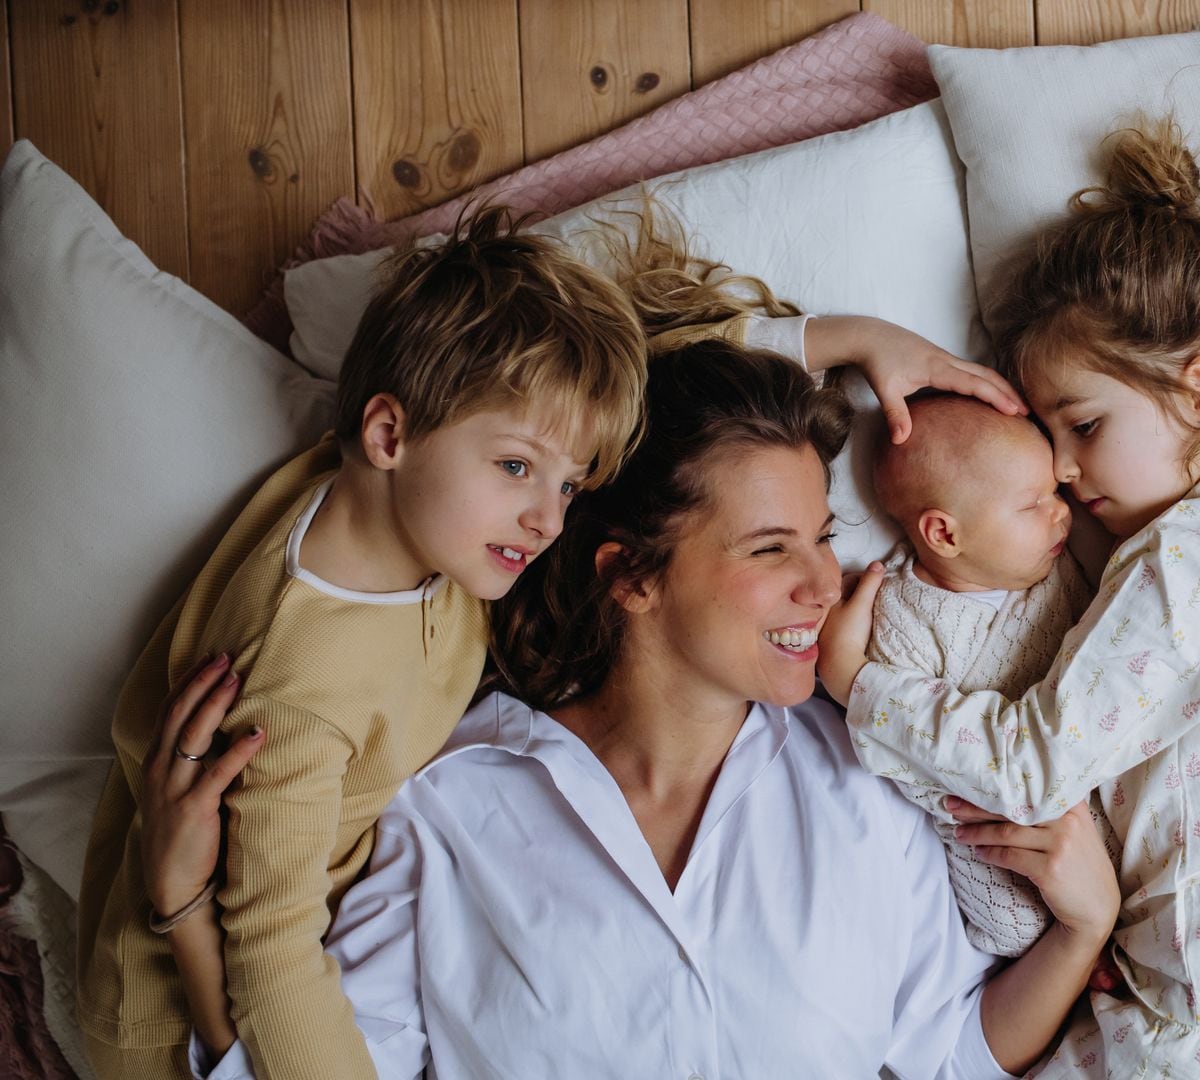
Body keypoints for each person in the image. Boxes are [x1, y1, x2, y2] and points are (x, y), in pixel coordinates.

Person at [141, 340, 1122, 1080]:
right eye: (770, 549)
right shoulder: (449, 807)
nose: (828, 583)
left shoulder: (866, 780)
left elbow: (946, 1053)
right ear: (633, 575)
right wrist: (190, 920)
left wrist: (1083, 931)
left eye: (823, 538)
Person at [78, 207, 650, 1080]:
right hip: (180, 1019)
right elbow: (270, 951)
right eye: (517, 468)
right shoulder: (305, 691)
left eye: (568, 484)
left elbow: (651, 367)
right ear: (389, 434)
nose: (547, 518)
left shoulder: (399, 501)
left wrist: (828, 336)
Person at [822, 118, 1200, 1077]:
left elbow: (1032, 771)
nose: (1061, 471)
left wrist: (862, 686)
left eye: (1085, 426)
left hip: (1195, 1028)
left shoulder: (1187, 566)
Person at [866, 393, 1094, 956]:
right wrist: (968, 795)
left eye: (1056, 493)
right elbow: (900, 744)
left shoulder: (1058, 565)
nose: (1062, 510)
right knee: (1017, 925)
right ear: (944, 535)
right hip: (986, 817)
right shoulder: (903, 617)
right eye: (1033, 503)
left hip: (1080, 782)